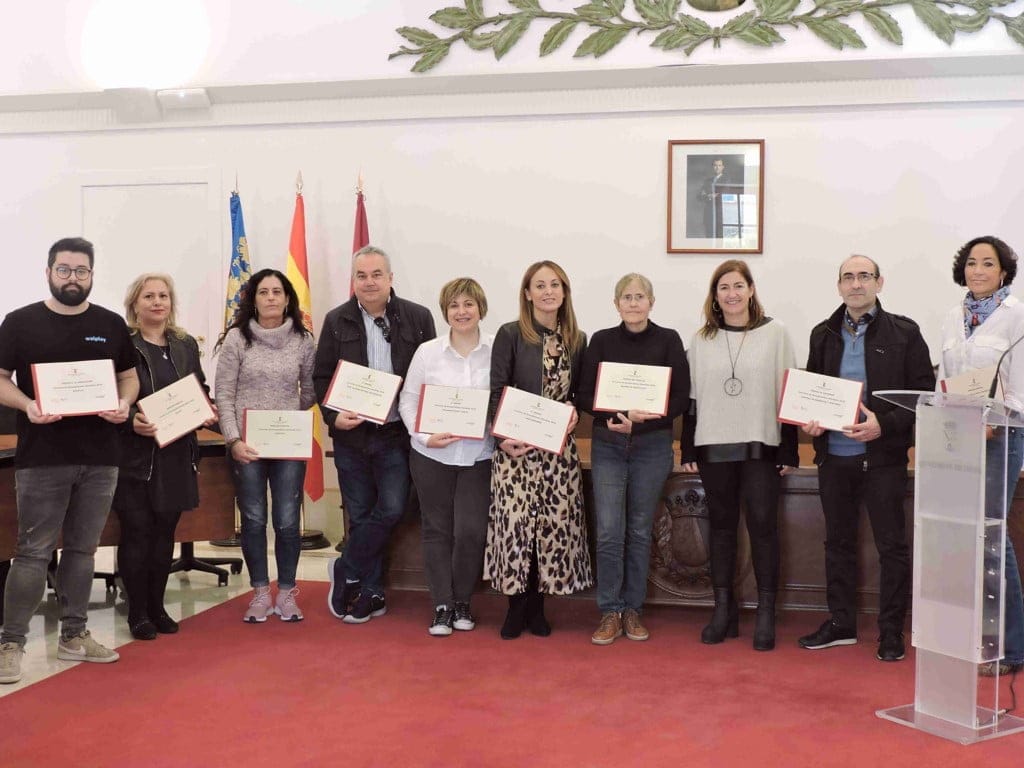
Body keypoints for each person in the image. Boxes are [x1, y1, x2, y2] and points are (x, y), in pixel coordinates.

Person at [0, 237, 138, 684]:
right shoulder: (19, 322)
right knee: (32, 553)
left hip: (101, 458)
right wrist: (27, 405)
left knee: (83, 550)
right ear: (48, 272)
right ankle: (10, 644)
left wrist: (124, 403)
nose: (72, 278)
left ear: (92, 274)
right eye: (64, 269)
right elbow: (0, 379)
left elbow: (129, 377)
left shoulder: (110, 324)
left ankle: (74, 636)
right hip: (42, 458)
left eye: (81, 270)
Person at [796, 255, 934, 663]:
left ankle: (891, 632)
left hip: (883, 459)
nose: (856, 284)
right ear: (839, 285)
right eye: (848, 277)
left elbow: (924, 397)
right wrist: (811, 422)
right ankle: (841, 624)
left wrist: (883, 426)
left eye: (864, 276)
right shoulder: (822, 333)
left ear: (879, 282)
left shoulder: (905, 333)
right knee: (837, 543)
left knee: (891, 546)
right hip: (834, 457)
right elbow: (811, 391)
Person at [681, 259, 797, 652]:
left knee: (763, 526)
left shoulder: (776, 333)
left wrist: (789, 448)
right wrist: (688, 447)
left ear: (750, 290)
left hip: (761, 445)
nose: (731, 294)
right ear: (715, 296)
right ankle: (723, 611)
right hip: (714, 445)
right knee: (721, 527)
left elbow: (788, 391)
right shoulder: (702, 339)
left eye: (738, 286)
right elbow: (692, 399)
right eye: (723, 287)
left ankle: (765, 613)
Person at [317, 245, 436, 624]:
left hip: (395, 434)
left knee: (393, 508)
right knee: (360, 513)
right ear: (353, 280)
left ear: (390, 278)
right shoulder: (336, 320)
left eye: (376, 274)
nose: (369, 282)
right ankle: (370, 591)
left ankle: (346, 566)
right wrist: (333, 416)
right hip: (351, 436)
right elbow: (322, 377)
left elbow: (430, 375)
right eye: (362, 276)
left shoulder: (418, 318)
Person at [577, 273, 689, 645]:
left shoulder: (668, 340)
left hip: (652, 445)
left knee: (640, 530)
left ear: (651, 302)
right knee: (609, 530)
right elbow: (585, 394)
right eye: (626, 297)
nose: (634, 303)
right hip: (609, 444)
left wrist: (642, 423)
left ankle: (633, 610)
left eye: (640, 296)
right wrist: (617, 417)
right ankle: (610, 610)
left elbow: (679, 397)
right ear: (616, 303)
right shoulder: (601, 340)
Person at [485, 260, 592, 639]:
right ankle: (516, 607)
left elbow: (581, 393)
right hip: (516, 450)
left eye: (555, 285)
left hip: (558, 452)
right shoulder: (510, 334)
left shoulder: (577, 338)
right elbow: (496, 390)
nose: (548, 291)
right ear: (528, 294)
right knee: (518, 529)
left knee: (550, 529)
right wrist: (502, 438)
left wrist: (577, 409)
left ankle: (538, 608)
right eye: (540, 285)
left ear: (564, 292)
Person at [112, 273, 217, 640]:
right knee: (137, 534)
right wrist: (130, 420)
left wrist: (206, 409)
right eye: (149, 296)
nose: (157, 302)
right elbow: (109, 395)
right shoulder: (123, 344)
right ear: (134, 304)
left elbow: (198, 387)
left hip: (176, 454)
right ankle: (137, 613)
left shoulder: (184, 344)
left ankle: (157, 607)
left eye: (163, 296)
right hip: (136, 457)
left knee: (163, 535)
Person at [937, 236, 1023, 675]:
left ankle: (1011, 647)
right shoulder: (953, 316)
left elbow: (1020, 387)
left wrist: (994, 420)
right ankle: (973, 637)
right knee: (964, 539)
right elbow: (945, 380)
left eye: (988, 263)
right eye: (972, 263)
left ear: (1003, 271)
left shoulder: (1017, 316)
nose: (978, 270)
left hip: (1001, 435)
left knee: (991, 537)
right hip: (957, 435)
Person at [215, 268, 315, 624]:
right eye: (263, 292)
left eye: (277, 292)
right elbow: (224, 394)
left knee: (287, 521)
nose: (271, 297)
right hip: (247, 447)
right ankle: (260, 593)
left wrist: (287, 423)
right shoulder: (237, 339)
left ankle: (286, 593)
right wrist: (234, 439)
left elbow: (311, 390)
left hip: (287, 446)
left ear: (288, 299)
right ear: (253, 300)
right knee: (254, 519)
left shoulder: (303, 340)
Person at [398, 278, 493, 636]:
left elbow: (505, 398)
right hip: (431, 455)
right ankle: (442, 605)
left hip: (479, 455)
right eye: (454, 305)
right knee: (436, 529)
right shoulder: (428, 353)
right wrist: (424, 435)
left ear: (480, 308)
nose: (461, 311)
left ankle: (463, 600)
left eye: (468, 304)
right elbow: (408, 400)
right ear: (445, 312)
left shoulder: (497, 349)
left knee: (471, 531)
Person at [698, 158, 734, 239]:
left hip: (720, 213)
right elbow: (699, 196)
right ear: (712, 167)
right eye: (715, 165)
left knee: (719, 237)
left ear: (723, 167)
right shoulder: (707, 181)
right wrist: (709, 196)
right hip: (708, 214)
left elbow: (724, 195)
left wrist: (708, 195)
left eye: (719, 165)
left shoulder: (726, 180)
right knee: (709, 237)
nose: (717, 167)